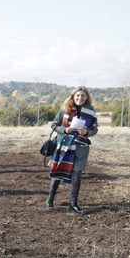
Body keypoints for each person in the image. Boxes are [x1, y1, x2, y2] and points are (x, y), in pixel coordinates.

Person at [46, 86, 98, 214]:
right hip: (64, 147)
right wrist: (65, 130)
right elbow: (54, 125)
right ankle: (50, 198)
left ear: (86, 97)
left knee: (77, 176)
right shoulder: (65, 109)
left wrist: (87, 131)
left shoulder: (91, 112)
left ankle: (73, 204)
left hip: (81, 148)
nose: (80, 98)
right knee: (58, 173)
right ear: (73, 96)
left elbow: (95, 129)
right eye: (78, 95)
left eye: (83, 96)